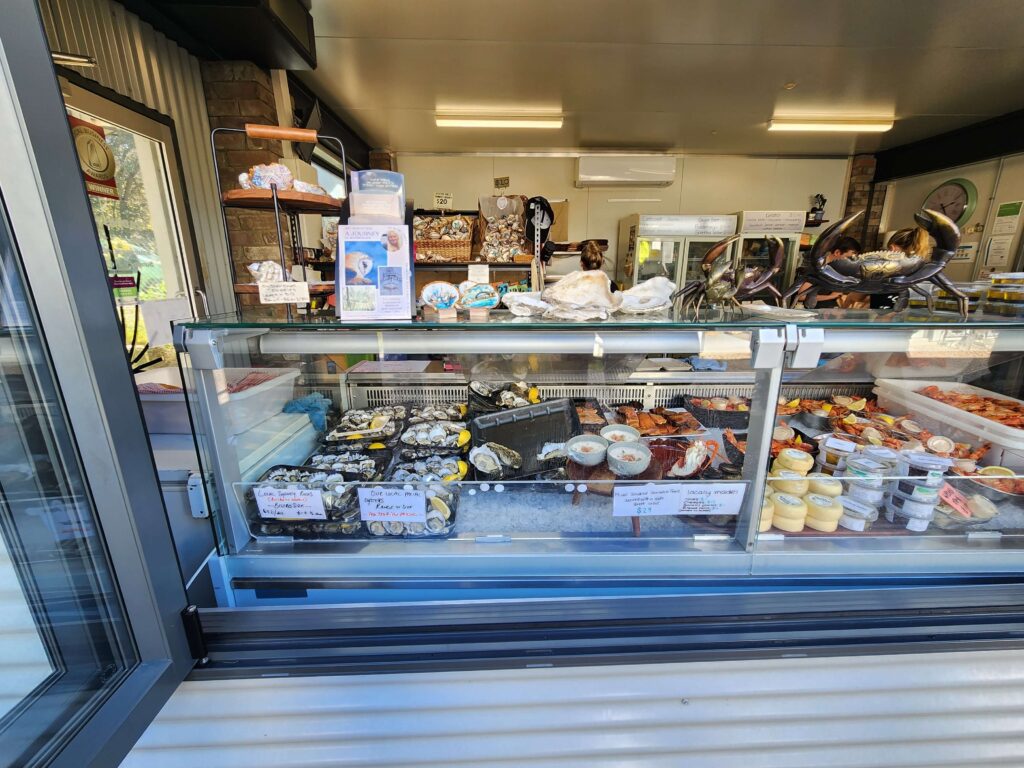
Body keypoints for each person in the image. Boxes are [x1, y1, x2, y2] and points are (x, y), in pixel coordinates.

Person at [797, 235, 861, 308]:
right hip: (814, 313)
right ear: (837, 252)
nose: (851, 262)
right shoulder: (818, 270)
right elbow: (800, 296)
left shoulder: (839, 270)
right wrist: (830, 296)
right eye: (849, 258)